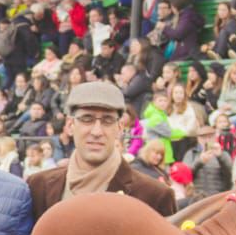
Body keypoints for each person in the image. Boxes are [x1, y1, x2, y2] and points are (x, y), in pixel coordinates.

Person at [26, 80, 176, 223]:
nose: (97, 131)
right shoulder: (39, 186)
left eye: (107, 120)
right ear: (70, 125)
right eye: (87, 119)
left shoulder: (155, 196)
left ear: (119, 128)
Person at [182, 125, 231, 201]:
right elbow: (184, 176)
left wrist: (220, 157)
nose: (207, 140)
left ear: (215, 137)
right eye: (203, 137)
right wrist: (200, 162)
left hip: (218, 197)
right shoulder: (191, 154)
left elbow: (230, 175)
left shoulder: (223, 154)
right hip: (197, 197)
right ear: (198, 139)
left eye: (210, 137)